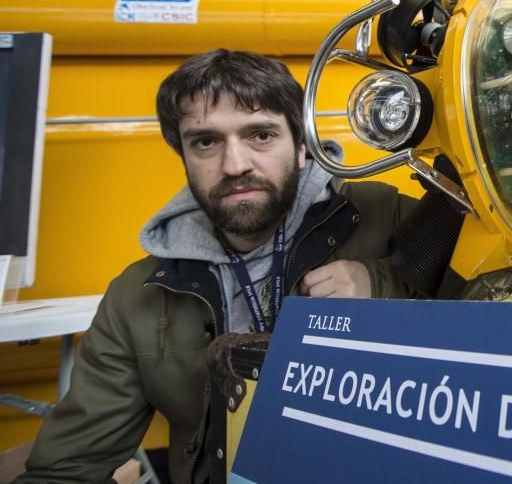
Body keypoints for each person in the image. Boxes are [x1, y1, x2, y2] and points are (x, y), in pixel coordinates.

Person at [18, 49, 422, 483]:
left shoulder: (396, 222)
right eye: (206, 142)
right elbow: (66, 467)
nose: (235, 165)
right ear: (184, 154)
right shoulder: (139, 296)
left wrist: (385, 285)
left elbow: (499, 324)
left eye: (261, 135)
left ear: (303, 144)